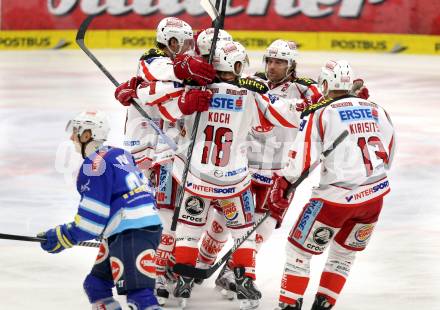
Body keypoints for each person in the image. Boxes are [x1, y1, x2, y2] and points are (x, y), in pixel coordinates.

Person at [135, 40, 301, 310]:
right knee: (243, 231)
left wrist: (144, 90)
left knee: (188, 232)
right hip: (234, 181)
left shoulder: (195, 89)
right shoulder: (250, 93)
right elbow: (268, 124)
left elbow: (164, 110)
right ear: (235, 65)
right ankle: (245, 281)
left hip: (196, 178)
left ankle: (185, 283)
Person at [269, 60, 395, 310]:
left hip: (334, 200)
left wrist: (284, 183)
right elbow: (389, 151)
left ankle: (289, 306)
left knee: (298, 251)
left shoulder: (321, 112)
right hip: (374, 198)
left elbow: (301, 158)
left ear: (325, 83)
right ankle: (324, 305)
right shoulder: (376, 109)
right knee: (344, 254)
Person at [114, 16, 215, 306]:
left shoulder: (173, 65)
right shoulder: (153, 59)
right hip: (147, 150)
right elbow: (161, 84)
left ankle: (158, 265)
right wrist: (184, 89)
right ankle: (150, 271)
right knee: (160, 213)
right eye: (180, 42)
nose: (185, 47)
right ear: (167, 40)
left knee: (169, 211)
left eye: (187, 43)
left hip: (167, 148)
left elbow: (168, 90)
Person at [38, 110, 163, 310]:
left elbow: (91, 224)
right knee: (96, 285)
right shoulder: (119, 153)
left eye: (76, 131)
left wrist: (61, 236)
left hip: (130, 230)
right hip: (143, 225)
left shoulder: (94, 165)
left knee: (140, 296)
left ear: (87, 135)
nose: (72, 137)